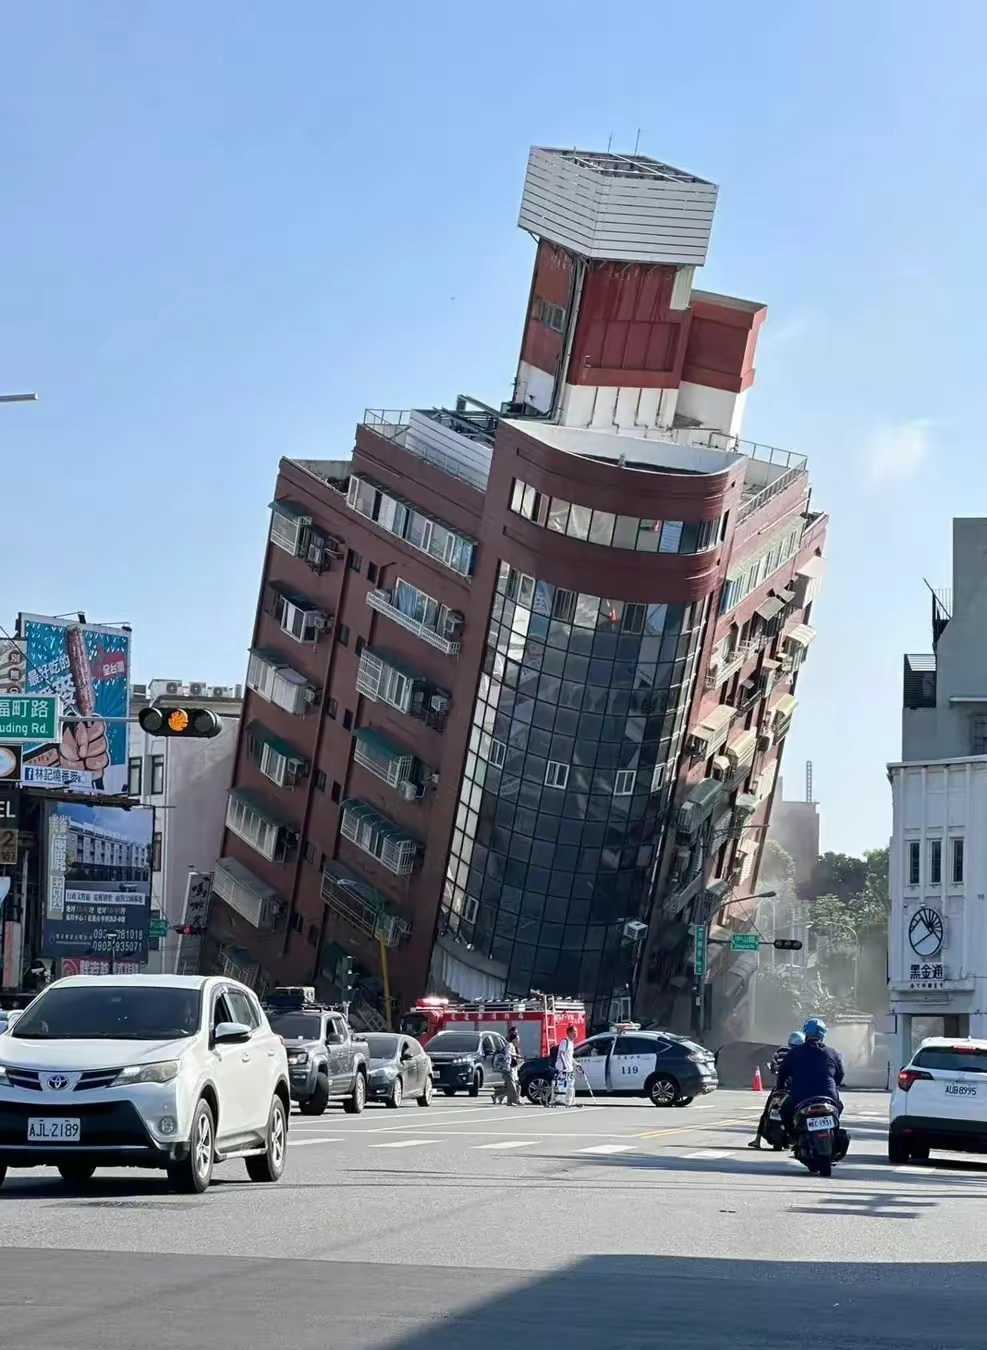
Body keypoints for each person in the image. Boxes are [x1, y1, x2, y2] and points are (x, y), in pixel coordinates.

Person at [775, 1018, 845, 1137]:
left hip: (800, 1097)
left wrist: (780, 1088)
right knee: (839, 1107)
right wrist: (833, 1086)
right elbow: (840, 1074)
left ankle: (792, 1137)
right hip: (828, 1097)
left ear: (806, 1033)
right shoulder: (832, 1053)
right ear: (822, 1035)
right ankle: (834, 1132)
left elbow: (782, 1073)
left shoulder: (794, 1052)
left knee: (784, 1110)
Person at [748, 1032, 803, 1149]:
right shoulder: (802, 1053)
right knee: (799, 1111)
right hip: (794, 1089)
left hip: (779, 1087)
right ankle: (799, 1140)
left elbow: (773, 1067)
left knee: (766, 1111)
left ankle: (757, 1139)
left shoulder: (781, 1051)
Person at [491, 1027, 523, 1106]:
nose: (518, 1040)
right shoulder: (509, 1045)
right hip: (508, 1068)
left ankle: (508, 1100)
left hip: (513, 1068)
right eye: (517, 1038)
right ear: (514, 1039)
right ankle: (513, 1100)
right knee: (512, 1086)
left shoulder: (514, 1046)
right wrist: (516, 1055)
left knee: (513, 1086)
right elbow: (507, 1054)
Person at [553, 1024, 577, 1108]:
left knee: (571, 1085)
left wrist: (576, 1063)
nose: (576, 1034)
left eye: (576, 1032)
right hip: (562, 1068)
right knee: (562, 1084)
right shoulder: (564, 1041)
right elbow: (561, 1054)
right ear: (569, 1033)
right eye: (574, 1032)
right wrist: (564, 1065)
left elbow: (570, 1056)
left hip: (569, 1068)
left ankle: (569, 1101)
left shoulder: (571, 1043)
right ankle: (559, 1100)